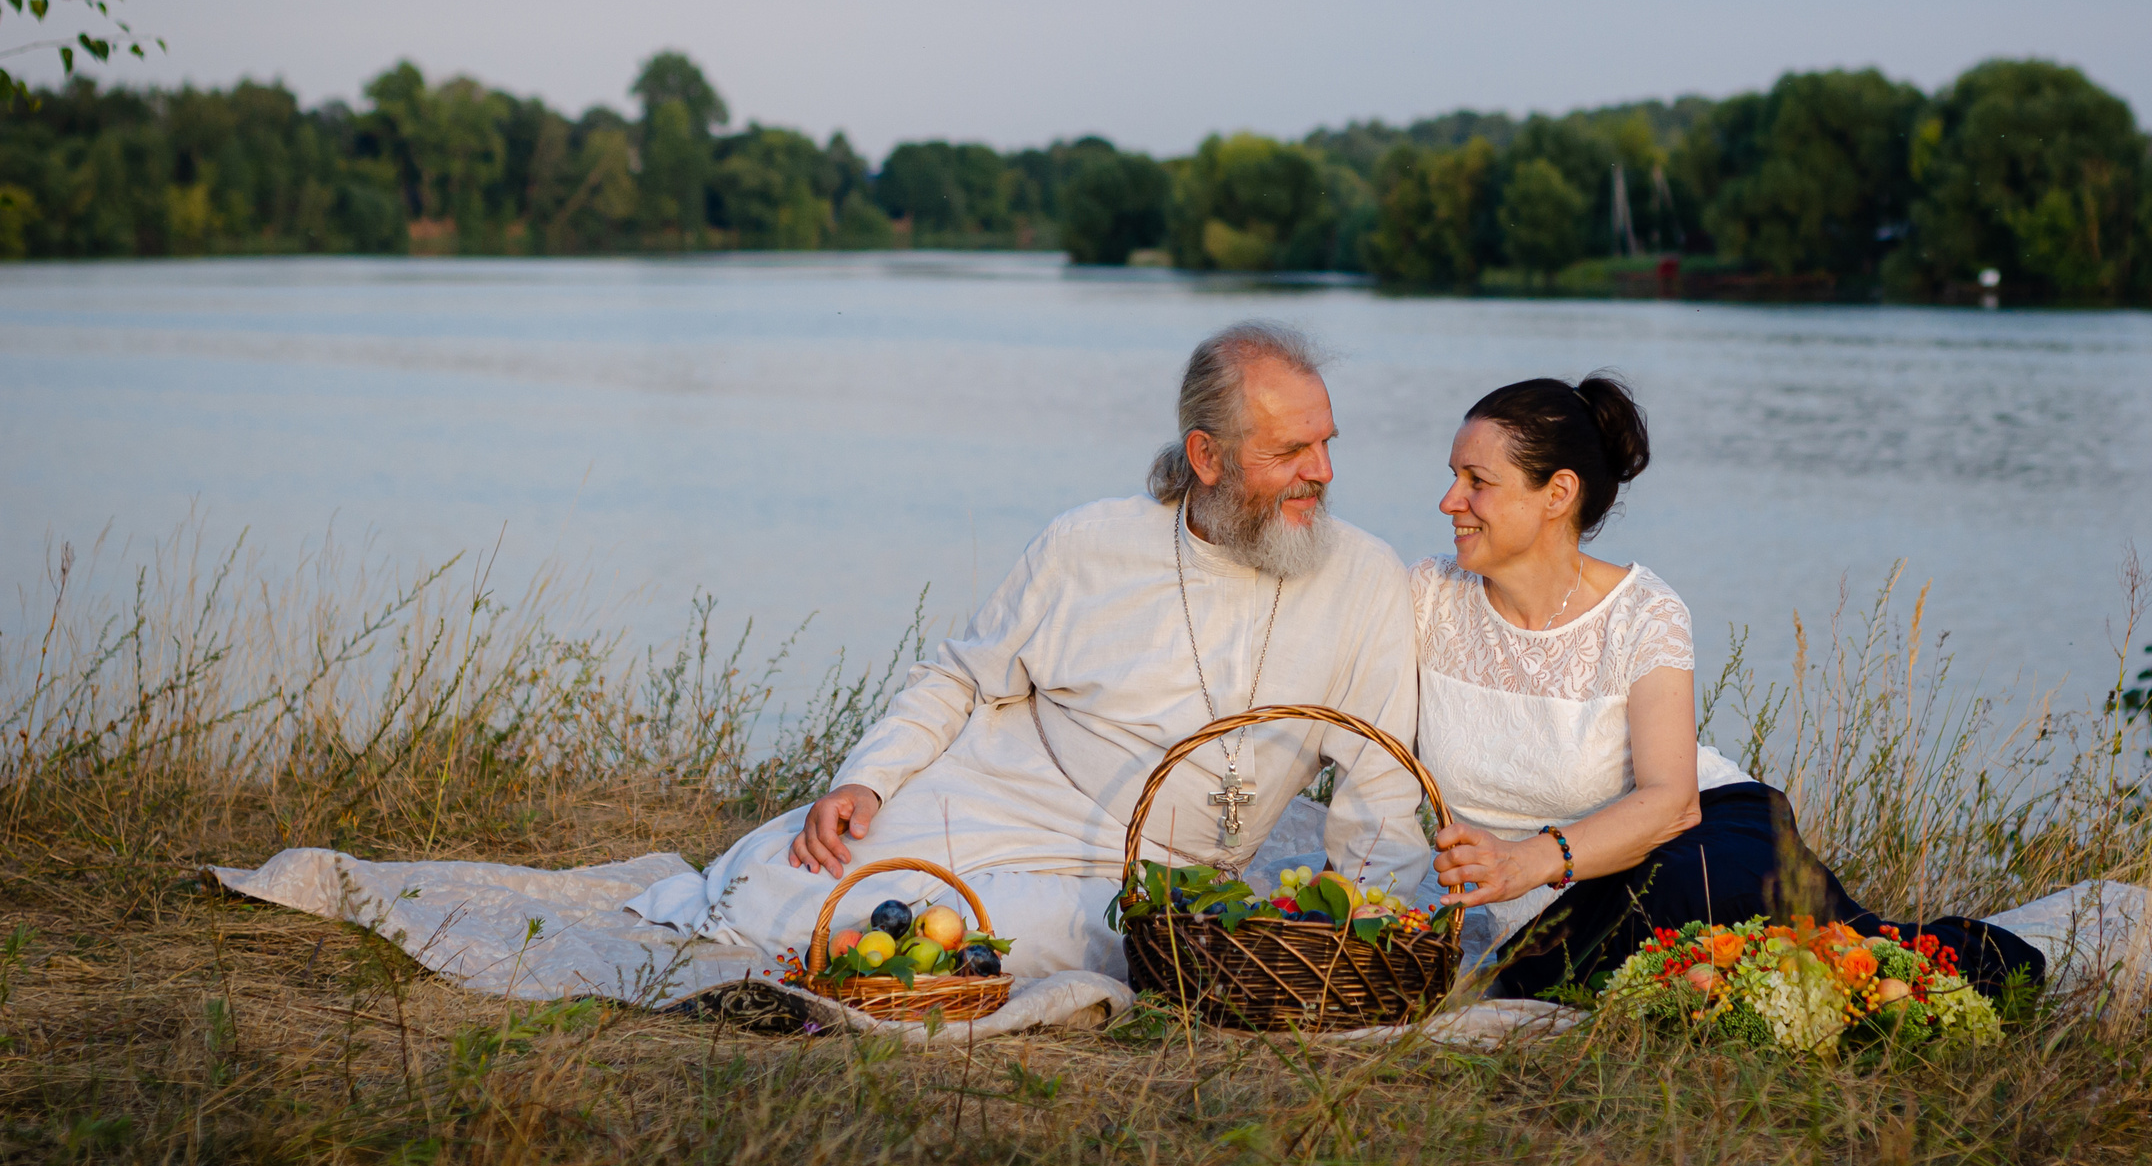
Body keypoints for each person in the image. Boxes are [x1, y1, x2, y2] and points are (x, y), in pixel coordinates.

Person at [628, 321, 1434, 978]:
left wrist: (1366, 929)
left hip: (1151, 875)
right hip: (997, 796)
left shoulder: (1364, 576)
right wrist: (865, 782)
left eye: (1326, 444)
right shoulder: (1089, 543)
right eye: (1289, 453)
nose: (1320, 473)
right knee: (794, 882)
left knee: (1077, 933)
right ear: (1206, 457)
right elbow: (957, 678)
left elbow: (1382, 781)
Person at [1416, 373, 2046, 999]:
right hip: (1561, 895)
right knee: (1582, 958)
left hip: (1697, 838)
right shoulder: (1427, 598)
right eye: (1454, 476)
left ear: (1557, 493)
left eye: (1478, 482)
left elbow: (1673, 803)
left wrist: (1526, 862)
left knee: (1672, 907)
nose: (1450, 500)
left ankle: (1949, 958)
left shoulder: (1643, 613)